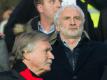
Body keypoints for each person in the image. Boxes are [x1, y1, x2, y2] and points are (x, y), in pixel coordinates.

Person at [44, 5, 107, 80]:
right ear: (57, 26)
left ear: (83, 24)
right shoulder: (45, 53)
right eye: (67, 18)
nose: (72, 22)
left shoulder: (102, 49)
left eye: (77, 18)